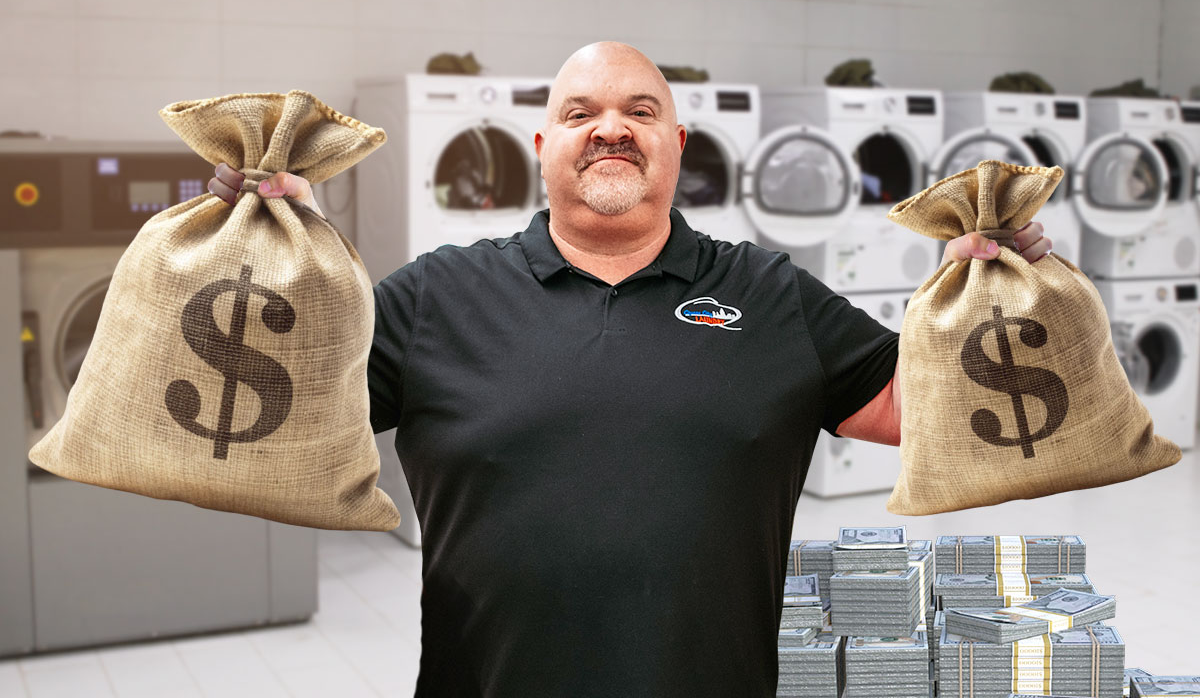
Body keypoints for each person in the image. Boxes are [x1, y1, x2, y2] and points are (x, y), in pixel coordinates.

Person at [209, 42, 1050, 697]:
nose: (611, 127)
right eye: (582, 112)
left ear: (676, 144)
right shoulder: (439, 294)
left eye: (639, 110)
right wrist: (273, 248)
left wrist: (993, 291)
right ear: (543, 146)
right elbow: (283, 413)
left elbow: (922, 411)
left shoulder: (767, 291)